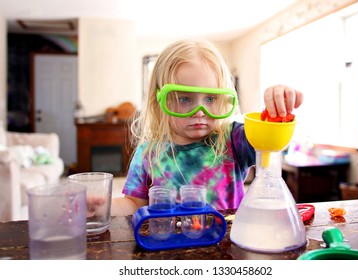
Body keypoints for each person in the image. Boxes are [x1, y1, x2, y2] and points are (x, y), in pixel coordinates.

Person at [110, 39, 303, 216]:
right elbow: (134, 204)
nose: (200, 112)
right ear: (159, 100)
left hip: (226, 247)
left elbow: (273, 144)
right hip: (170, 247)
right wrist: (102, 205)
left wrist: (278, 113)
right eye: (185, 99)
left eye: (210, 99)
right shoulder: (148, 153)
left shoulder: (232, 139)